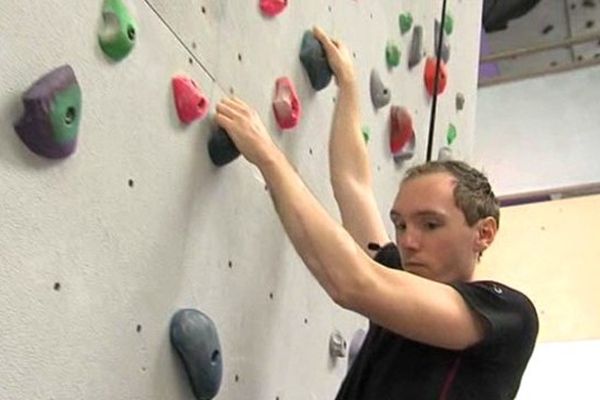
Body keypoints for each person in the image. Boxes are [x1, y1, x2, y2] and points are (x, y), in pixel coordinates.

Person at [215, 27, 538, 400]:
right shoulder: (397, 276)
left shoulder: (507, 316)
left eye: (430, 224)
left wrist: (267, 156)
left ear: (484, 233)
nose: (407, 241)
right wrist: (348, 86)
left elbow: (352, 282)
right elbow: (353, 185)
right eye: (399, 224)